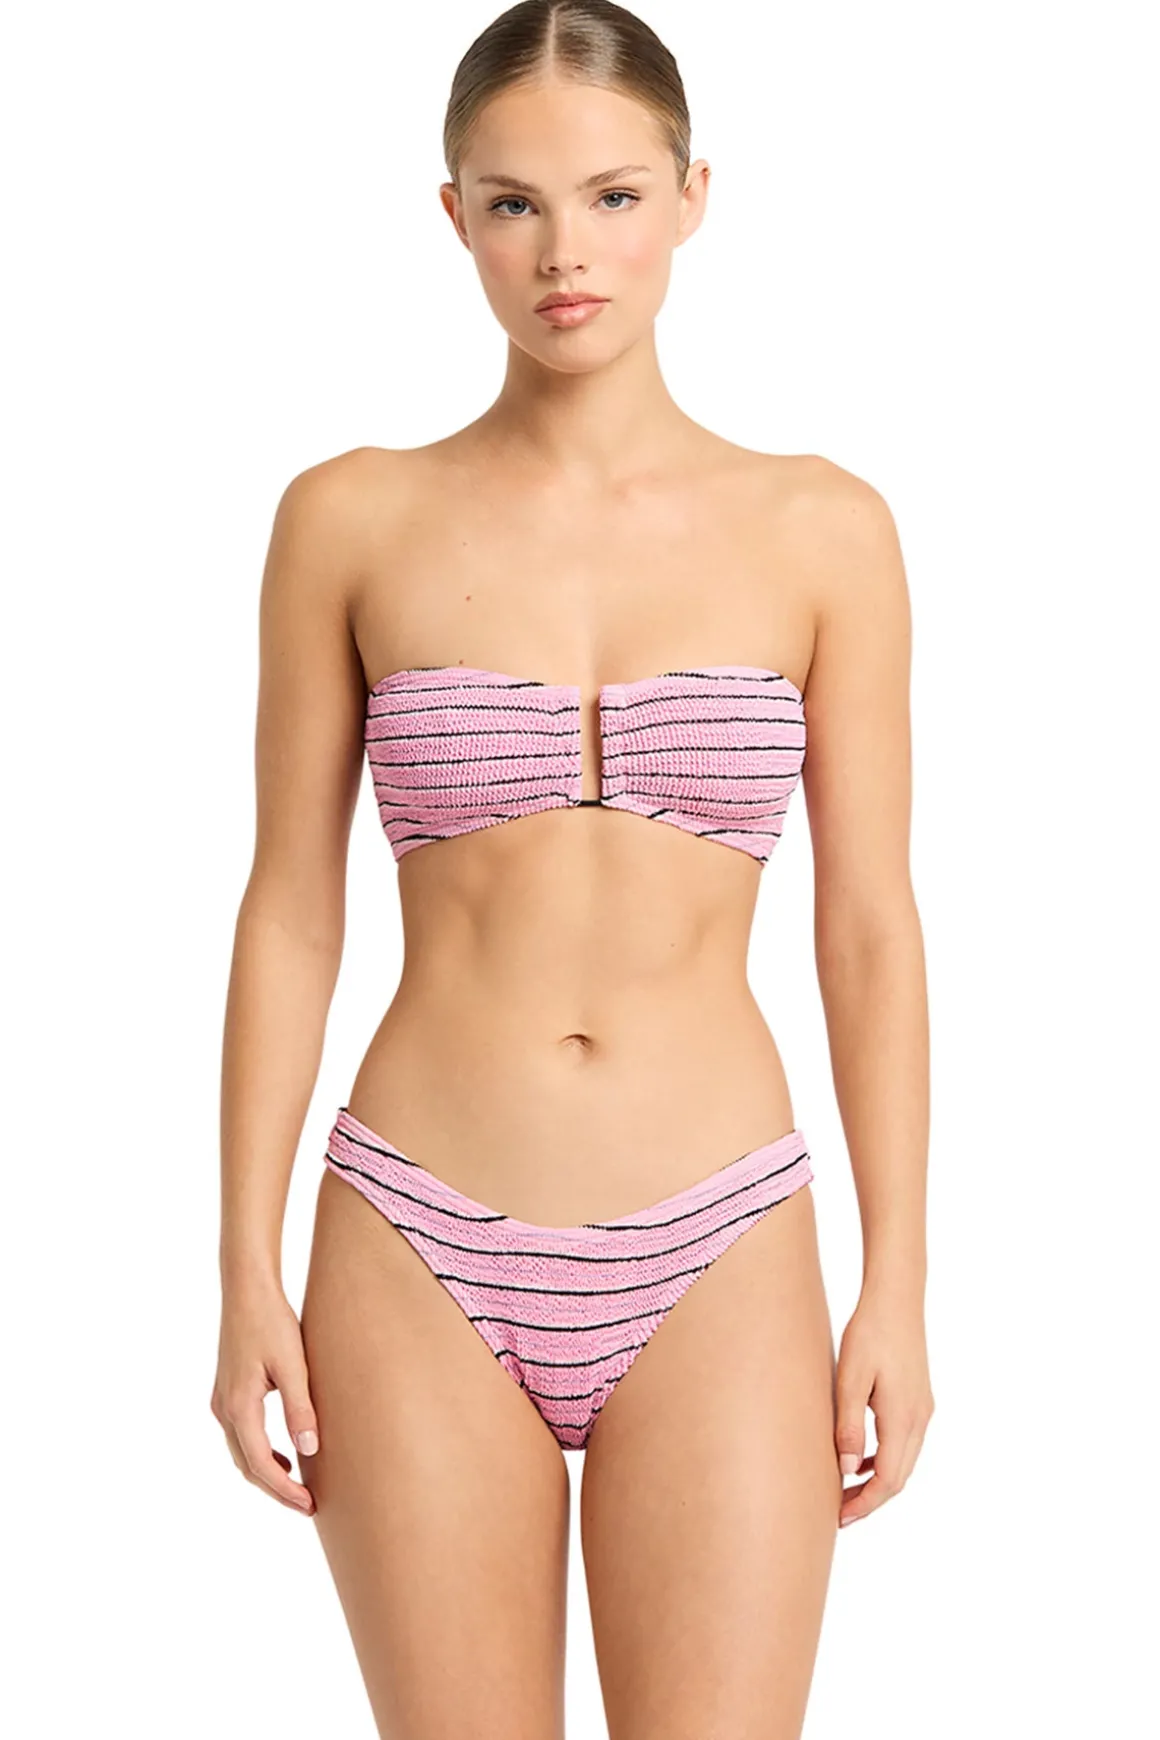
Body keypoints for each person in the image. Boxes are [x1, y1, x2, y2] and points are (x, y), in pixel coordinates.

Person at [210, 2, 935, 1733]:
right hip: (416, 1229)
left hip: (721, 1232)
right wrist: (241, 1266)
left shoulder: (825, 529)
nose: (565, 254)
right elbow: (290, 911)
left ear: (693, 196)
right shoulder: (349, 519)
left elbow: (868, 930)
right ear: (452, 215)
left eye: (612, 197)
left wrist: (899, 1283)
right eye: (514, 203)